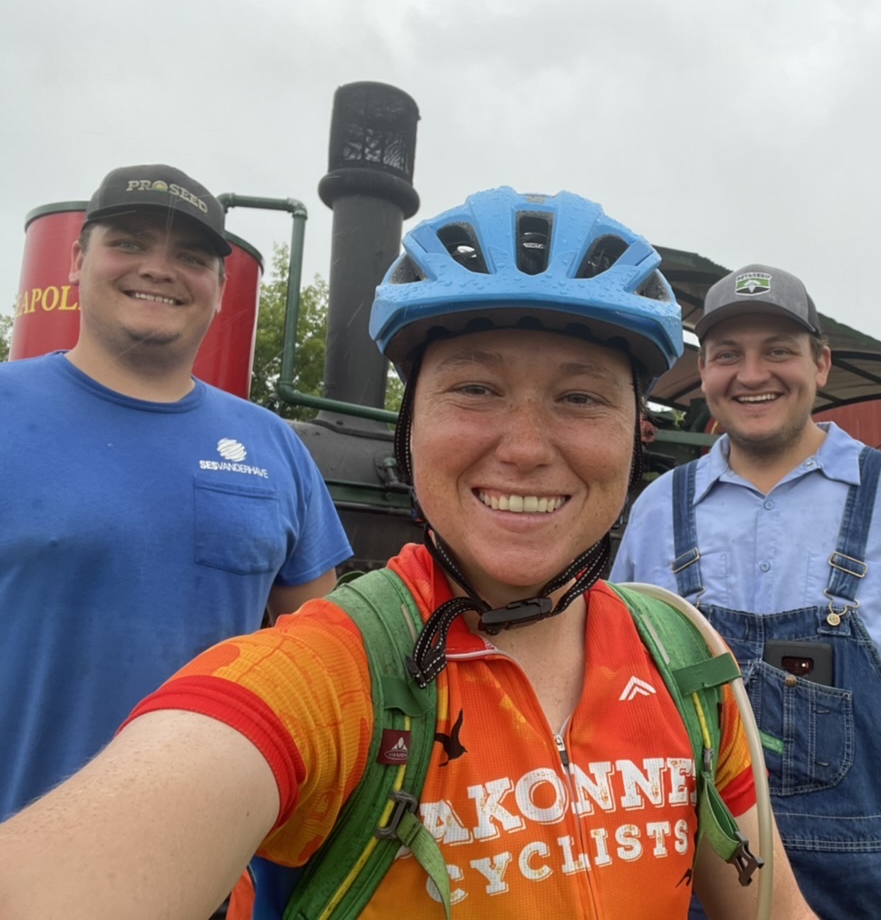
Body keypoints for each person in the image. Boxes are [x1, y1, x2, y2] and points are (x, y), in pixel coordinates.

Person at [0, 188, 817, 920]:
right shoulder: (329, 677)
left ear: (634, 437)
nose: (526, 448)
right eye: (474, 389)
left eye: (579, 398)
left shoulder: (684, 657)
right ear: (411, 426)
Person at [612, 264, 881, 919]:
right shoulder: (659, 509)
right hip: (692, 883)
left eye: (778, 351)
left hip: (876, 890)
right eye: (726, 356)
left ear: (820, 364)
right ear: (705, 373)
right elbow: (619, 695)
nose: (751, 374)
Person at [0, 164, 352, 825]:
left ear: (220, 290)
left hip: (203, 863)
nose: (159, 269)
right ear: (76, 260)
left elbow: (324, 656)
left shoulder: (274, 447)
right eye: (129, 244)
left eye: (190, 257)